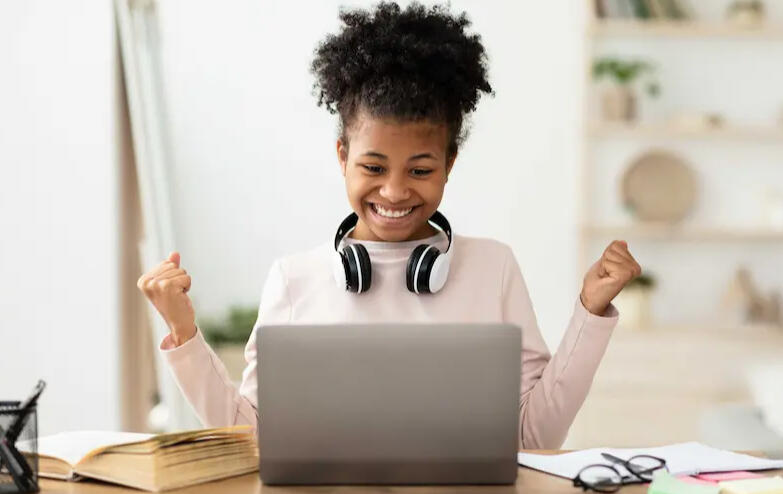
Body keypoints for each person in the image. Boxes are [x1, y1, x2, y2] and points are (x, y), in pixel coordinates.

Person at [137, 1, 641, 449]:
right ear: (342, 156)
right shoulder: (293, 280)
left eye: (420, 171)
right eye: (373, 167)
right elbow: (252, 440)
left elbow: (535, 437)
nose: (395, 192)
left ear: (449, 163)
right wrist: (183, 332)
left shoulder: (494, 268)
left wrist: (591, 311)